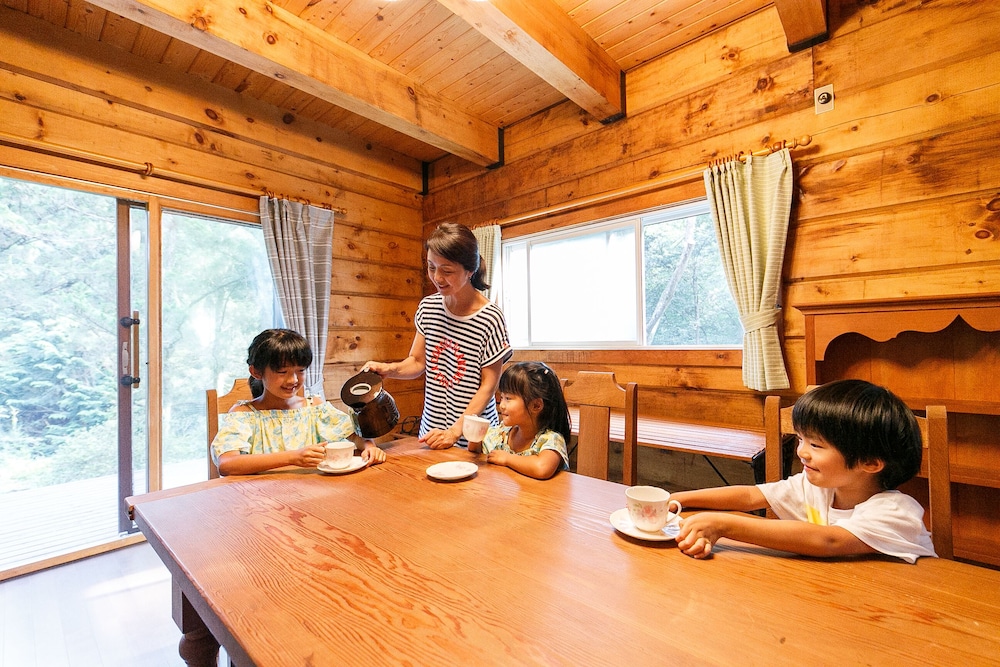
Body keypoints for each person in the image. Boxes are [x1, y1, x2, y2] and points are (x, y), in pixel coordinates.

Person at [671, 379, 936, 563]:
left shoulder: (897, 512)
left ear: (870, 463)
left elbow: (829, 541)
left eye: (816, 444)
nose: (801, 452)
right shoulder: (818, 488)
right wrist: (679, 499)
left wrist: (724, 524)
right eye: (800, 440)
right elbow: (752, 496)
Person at [364, 222, 511, 449]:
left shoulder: (490, 318)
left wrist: (454, 432)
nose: (437, 277)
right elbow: (417, 361)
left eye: (447, 270)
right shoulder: (428, 308)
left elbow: (488, 386)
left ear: (470, 270)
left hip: (475, 438)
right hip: (432, 433)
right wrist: (389, 370)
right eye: (432, 267)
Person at [212, 329, 386, 475]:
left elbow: (355, 434)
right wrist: (293, 457)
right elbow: (227, 464)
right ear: (256, 372)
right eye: (282, 372)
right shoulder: (244, 415)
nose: (293, 380)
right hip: (263, 501)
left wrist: (369, 446)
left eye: (300, 370)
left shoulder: (314, 407)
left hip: (312, 496)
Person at [468, 361, 571, 480]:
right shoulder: (503, 433)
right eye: (502, 397)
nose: (501, 405)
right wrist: (475, 436)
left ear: (536, 406)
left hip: (539, 497)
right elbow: (476, 452)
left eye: (508, 398)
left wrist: (508, 459)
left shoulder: (551, 439)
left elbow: (542, 468)